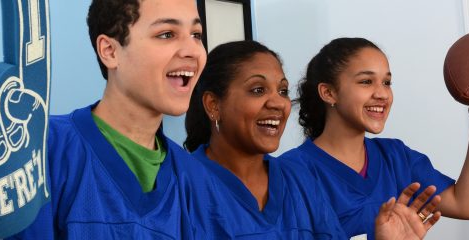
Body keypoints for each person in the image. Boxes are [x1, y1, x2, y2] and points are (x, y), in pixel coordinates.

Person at [183, 40, 442, 239]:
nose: (278, 103)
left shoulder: (298, 181)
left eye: (282, 90)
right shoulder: (182, 187)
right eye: (258, 90)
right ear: (213, 105)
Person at [279, 37, 469, 238]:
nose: (382, 93)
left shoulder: (394, 157)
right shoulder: (290, 173)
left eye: (387, 82)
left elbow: (466, 205)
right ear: (329, 92)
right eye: (366, 81)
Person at [10, 0, 209, 238]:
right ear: (110, 51)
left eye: (196, 35)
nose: (193, 51)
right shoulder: (41, 151)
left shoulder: (196, 180)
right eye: (167, 34)